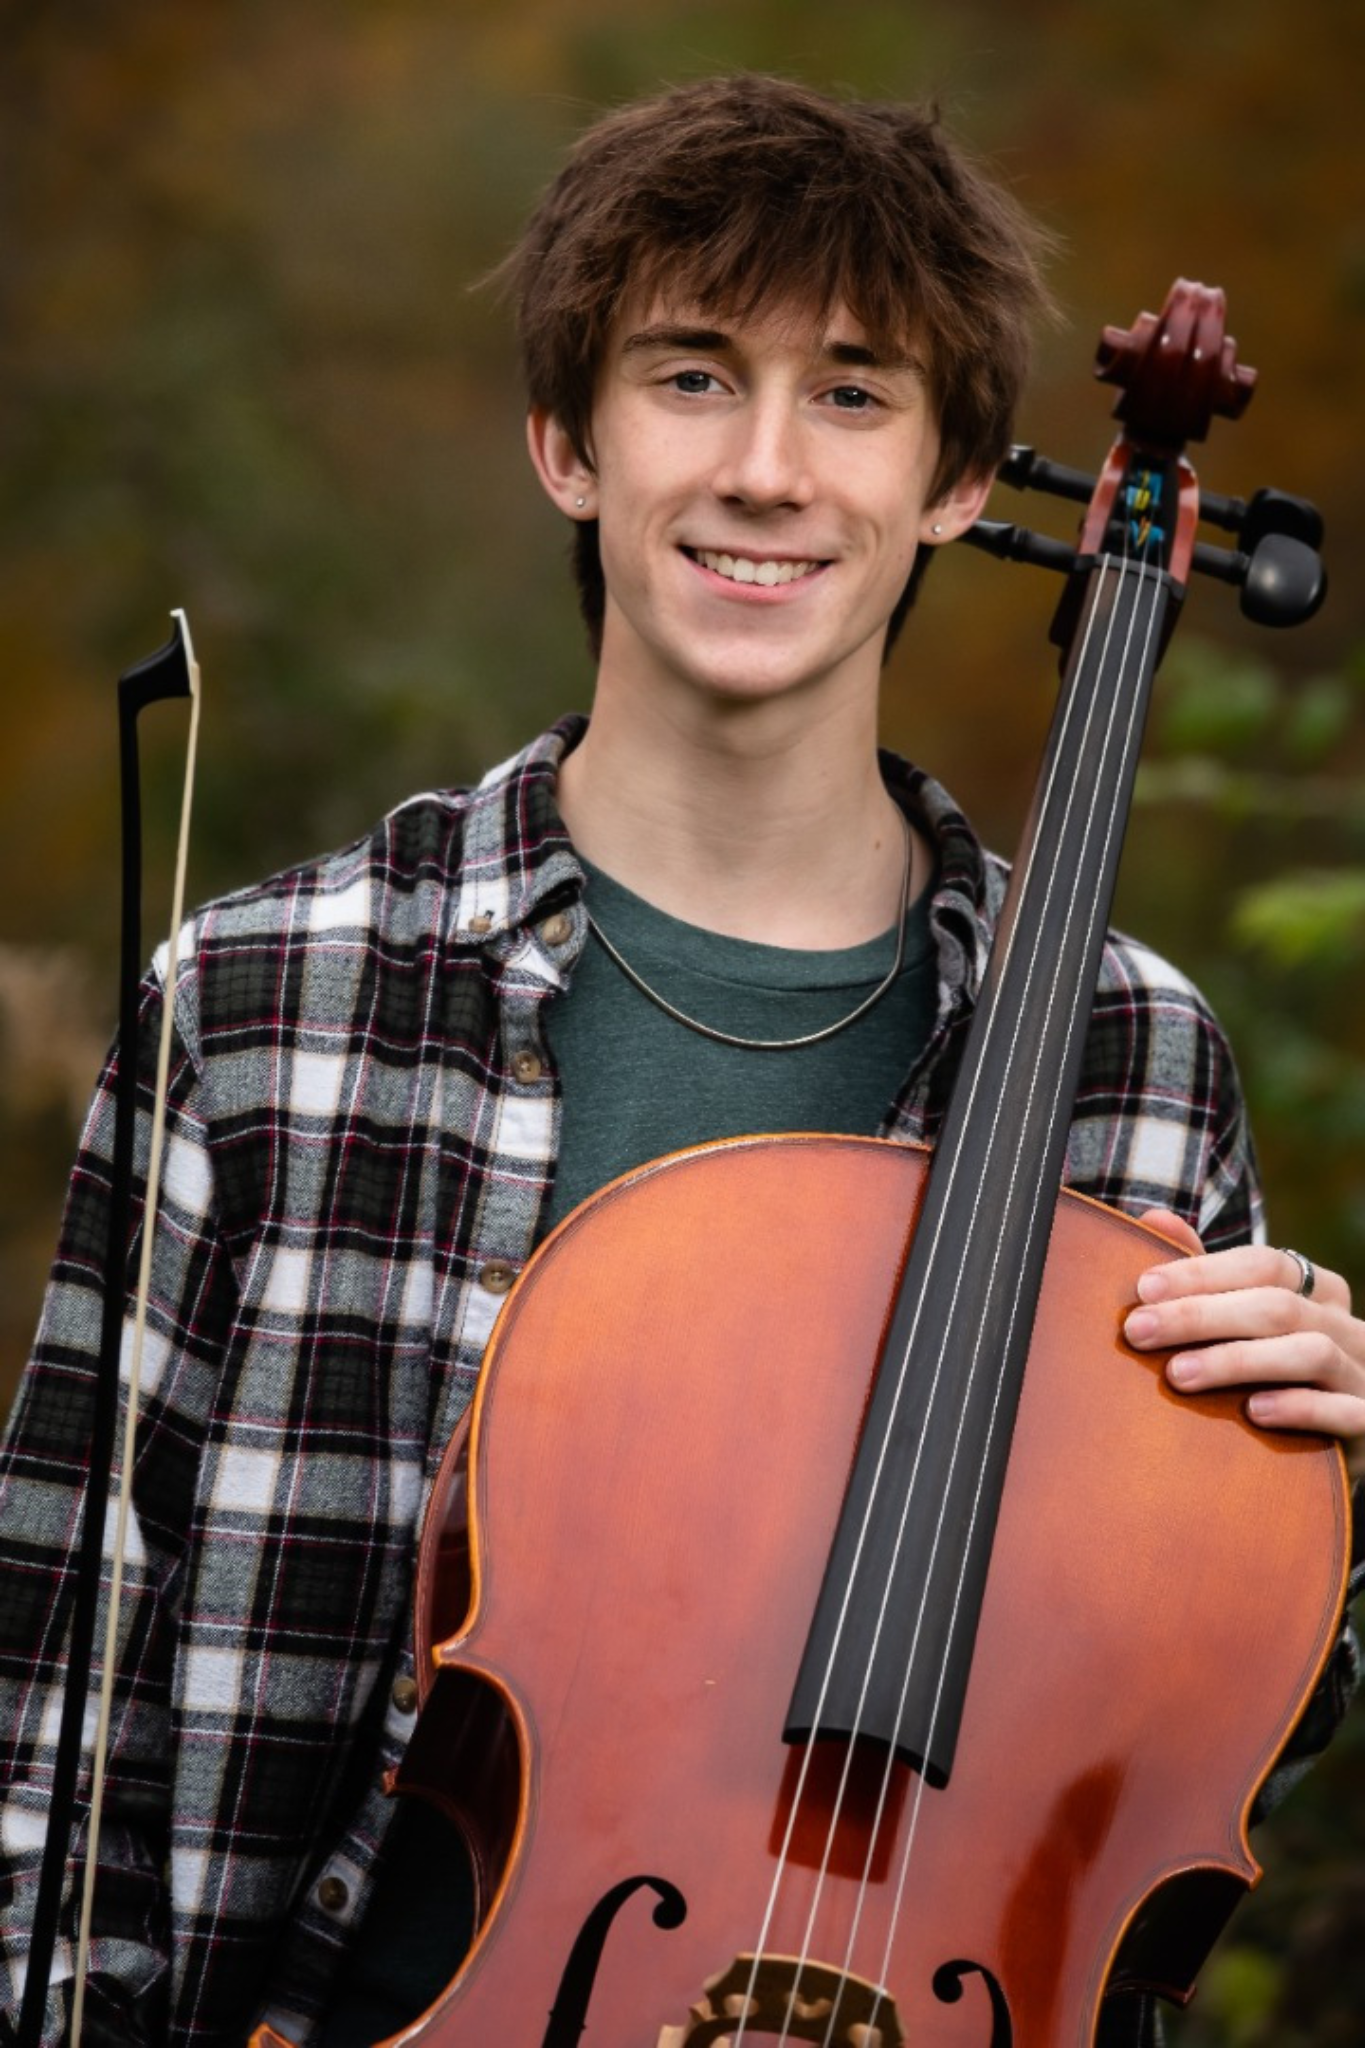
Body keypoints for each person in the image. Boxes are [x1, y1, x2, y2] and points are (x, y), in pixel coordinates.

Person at [1, 74, 1362, 2048]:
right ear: (567, 441)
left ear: (964, 483)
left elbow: (1194, 1761)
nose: (767, 471)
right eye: (694, 377)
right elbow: (53, 1721)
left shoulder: (1133, 1057)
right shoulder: (269, 998)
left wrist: (1313, 1489)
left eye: (855, 394)